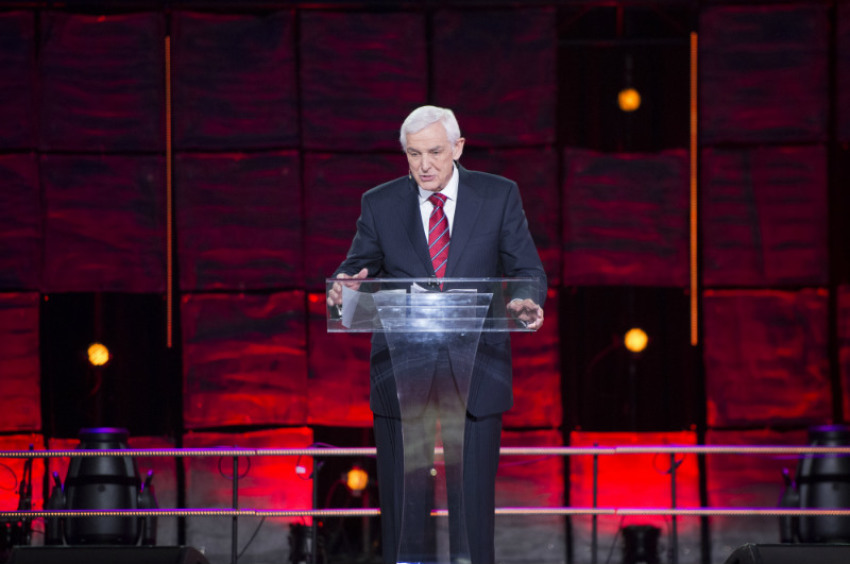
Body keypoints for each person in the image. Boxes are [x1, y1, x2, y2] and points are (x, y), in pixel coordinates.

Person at [327, 105, 546, 564]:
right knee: (404, 514)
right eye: (413, 155)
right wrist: (347, 284)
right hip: (402, 372)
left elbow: (525, 268)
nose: (424, 165)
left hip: (477, 370)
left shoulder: (498, 195)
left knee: (473, 512)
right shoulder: (380, 202)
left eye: (434, 152)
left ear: (458, 148)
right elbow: (357, 266)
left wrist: (525, 299)